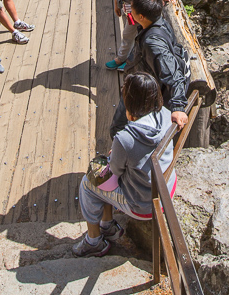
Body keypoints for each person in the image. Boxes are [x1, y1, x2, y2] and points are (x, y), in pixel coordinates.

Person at [74, 72, 176, 258]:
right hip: (167, 187)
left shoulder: (125, 138)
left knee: (89, 183)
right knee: (103, 176)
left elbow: (115, 171)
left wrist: (114, 157)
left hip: (143, 203)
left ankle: (94, 241)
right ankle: (107, 225)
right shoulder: (167, 114)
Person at [110, 0, 189, 138]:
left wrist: (178, 107)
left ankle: (117, 155)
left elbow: (173, 73)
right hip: (141, 79)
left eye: (132, 9)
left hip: (141, 91)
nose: (130, 10)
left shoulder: (153, 43)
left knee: (119, 128)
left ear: (141, 16)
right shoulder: (158, 21)